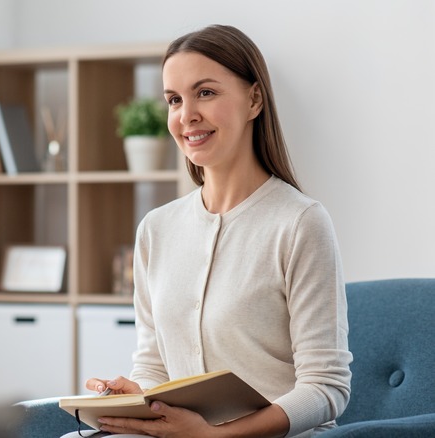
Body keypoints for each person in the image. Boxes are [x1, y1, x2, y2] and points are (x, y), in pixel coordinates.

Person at [72, 25, 352, 437]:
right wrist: (138, 399)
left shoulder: (300, 222)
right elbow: (153, 367)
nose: (186, 116)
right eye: (174, 100)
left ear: (254, 99)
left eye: (205, 92)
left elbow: (325, 388)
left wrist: (216, 436)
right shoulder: (156, 229)